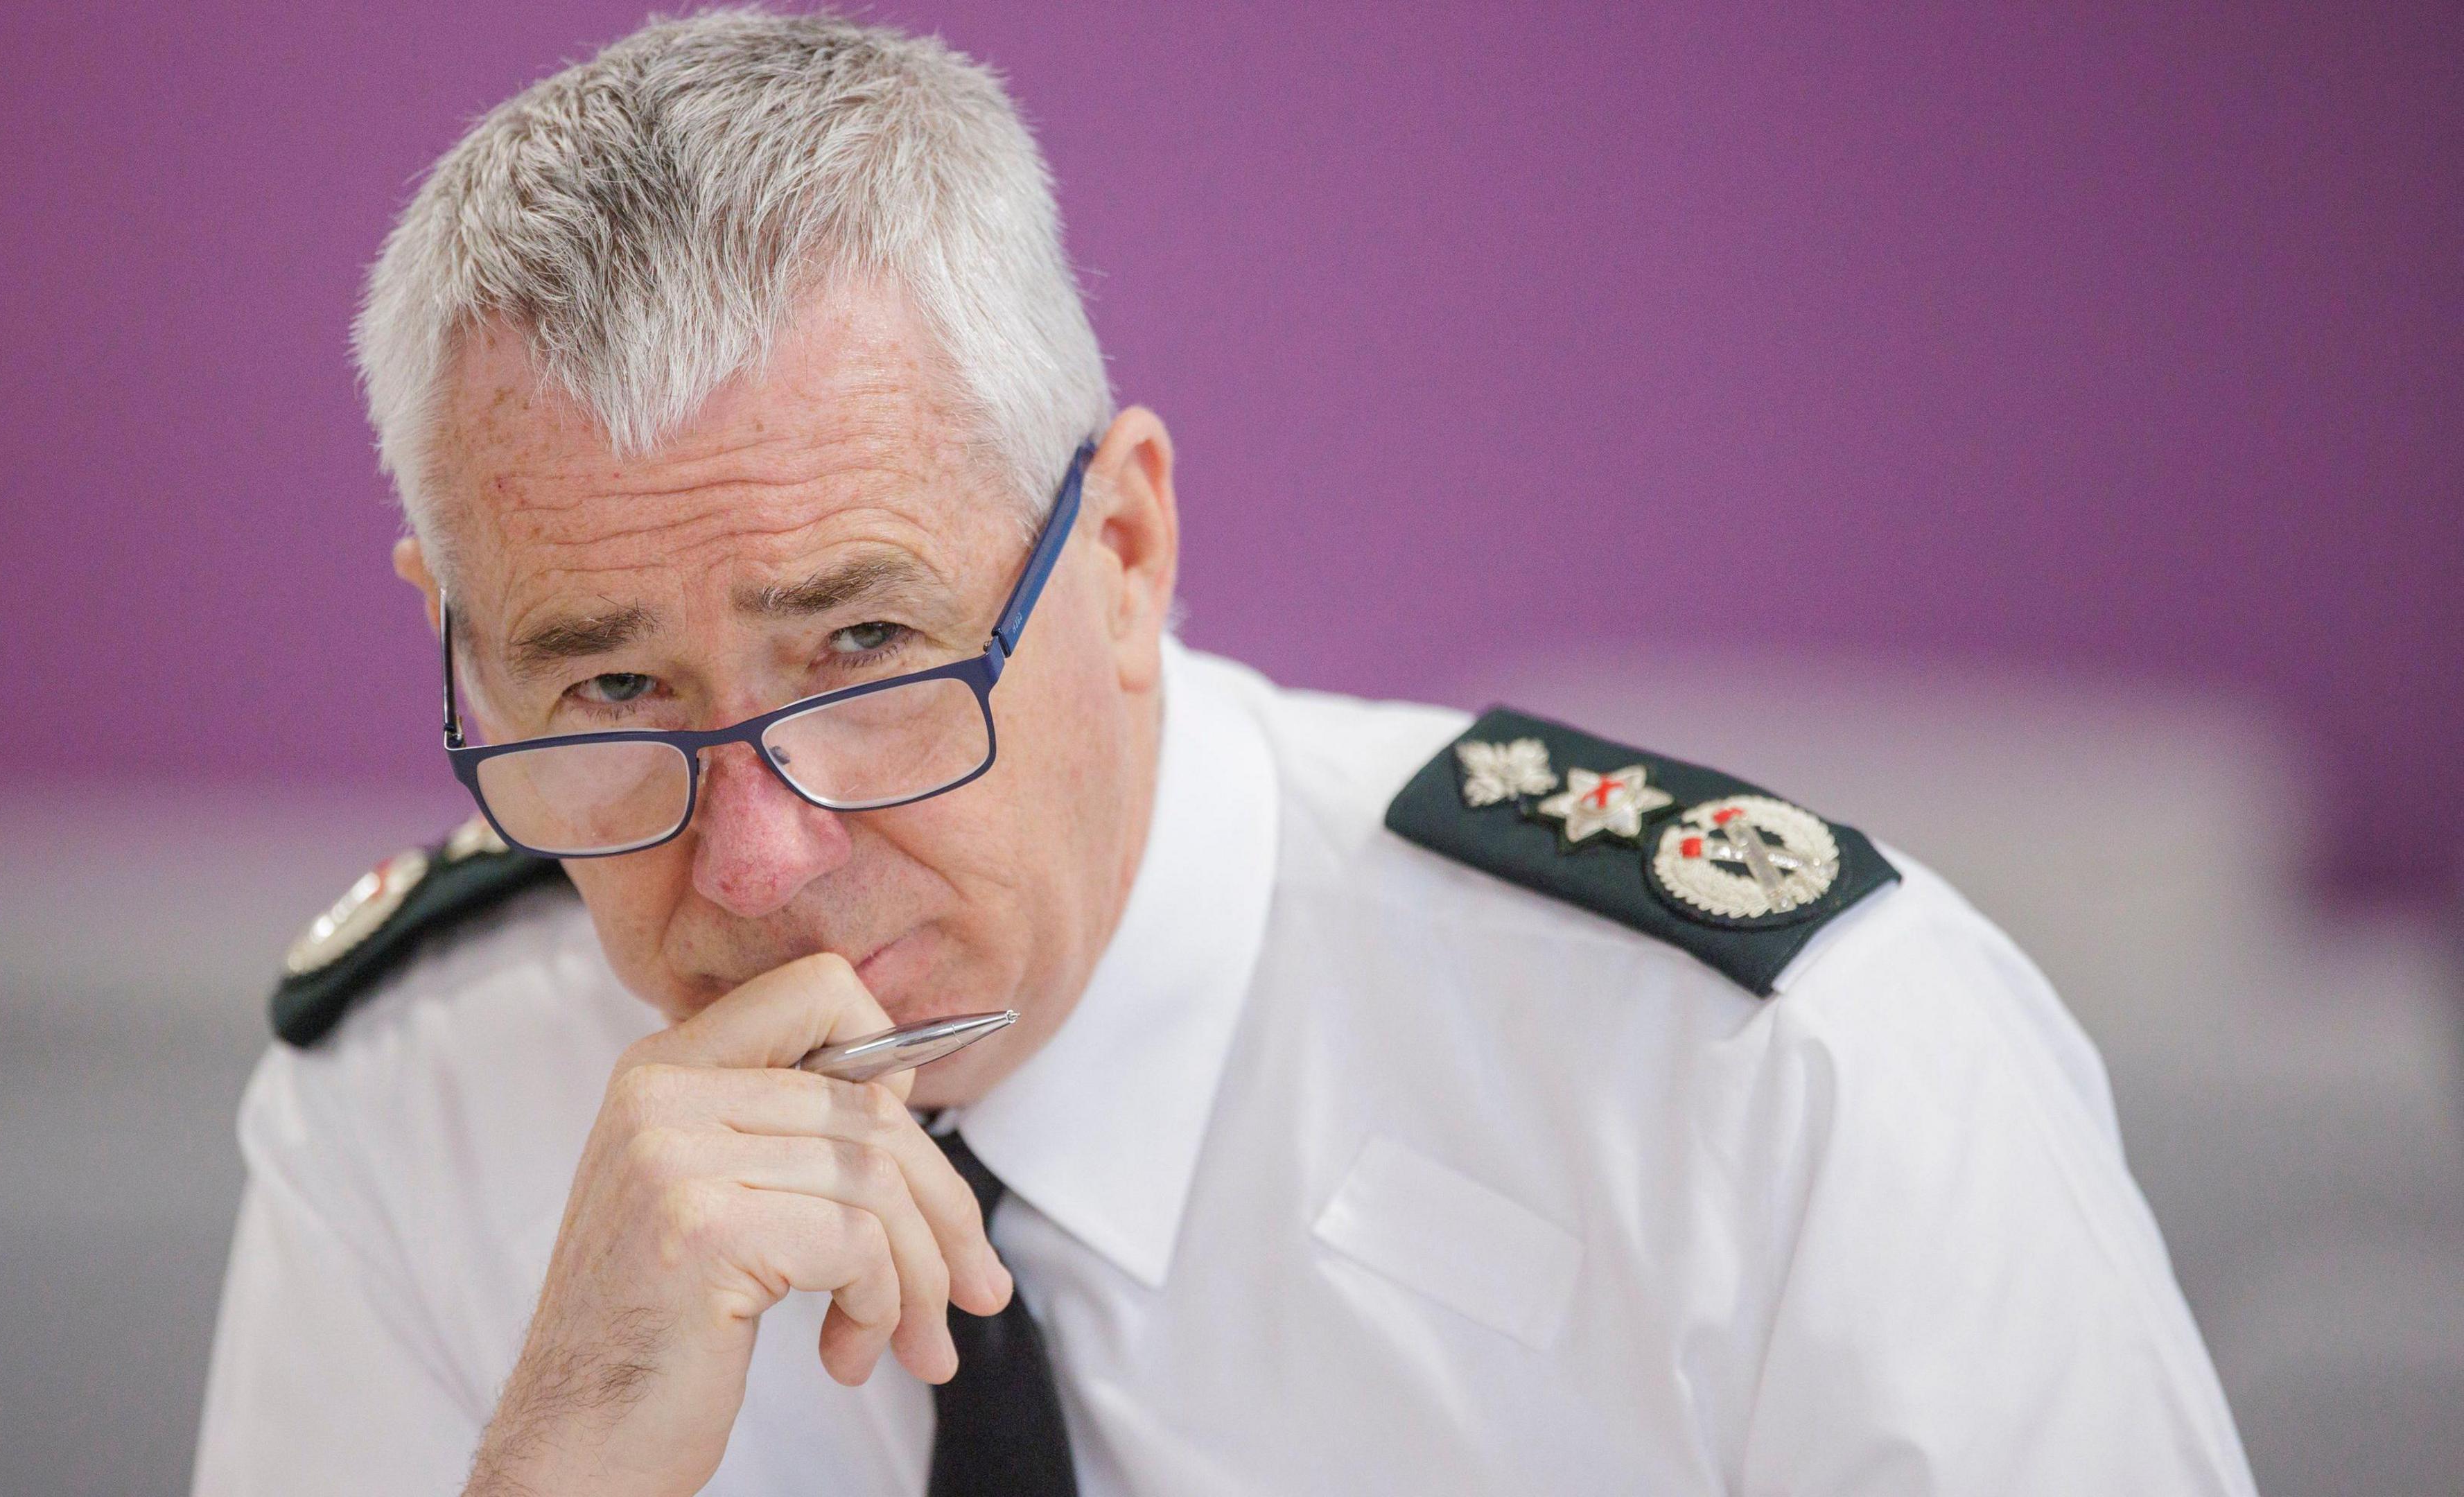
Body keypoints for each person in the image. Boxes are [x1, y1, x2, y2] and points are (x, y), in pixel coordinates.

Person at [193, 10, 2258, 1494]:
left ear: (1122, 551)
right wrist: (560, 1461)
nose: (754, 863)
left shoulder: (1766, 1075)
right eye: (611, 696)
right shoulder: (412, 1106)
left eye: (869, 646)